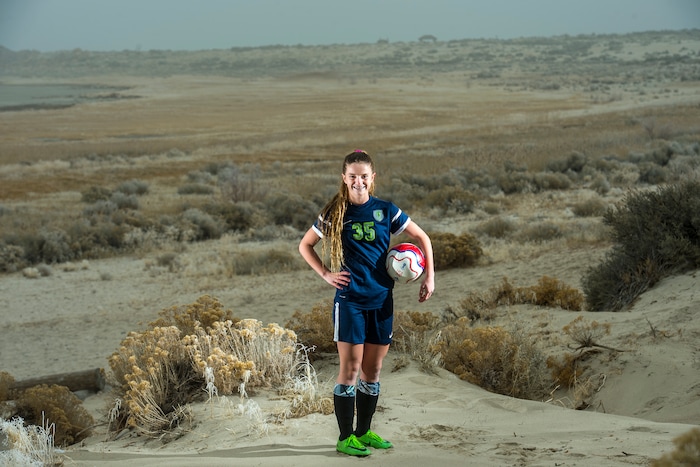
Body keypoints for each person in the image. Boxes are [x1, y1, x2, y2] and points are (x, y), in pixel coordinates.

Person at [298, 149, 435, 457]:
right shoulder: (335, 212)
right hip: (350, 302)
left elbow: (422, 238)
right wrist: (325, 274)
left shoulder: (386, 210)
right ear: (344, 179)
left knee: (372, 370)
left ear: (373, 179)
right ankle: (345, 438)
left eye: (364, 176)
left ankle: (364, 431)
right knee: (350, 368)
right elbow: (305, 244)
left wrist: (429, 277)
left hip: (382, 300)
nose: (358, 182)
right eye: (352, 177)